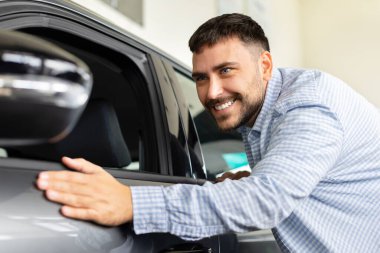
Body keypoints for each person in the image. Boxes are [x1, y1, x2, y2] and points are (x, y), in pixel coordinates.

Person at [36, 13, 380, 252]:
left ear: (264, 65)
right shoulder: (263, 111)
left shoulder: (307, 105)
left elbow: (266, 199)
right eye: (201, 77)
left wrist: (130, 202)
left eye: (226, 70)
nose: (212, 92)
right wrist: (249, 176)